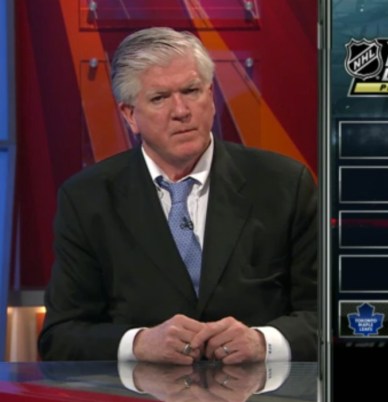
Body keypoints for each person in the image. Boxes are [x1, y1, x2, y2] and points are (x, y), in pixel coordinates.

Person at [37, 27, 317, 364]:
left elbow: (327, 315)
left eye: (191, 91)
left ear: (210, 96)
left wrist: (264, 342)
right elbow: (60, 336)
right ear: (130, 115)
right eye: (159, 98)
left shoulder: (284, 184)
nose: (181, 110)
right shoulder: (87, 199)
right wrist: (138, 343)